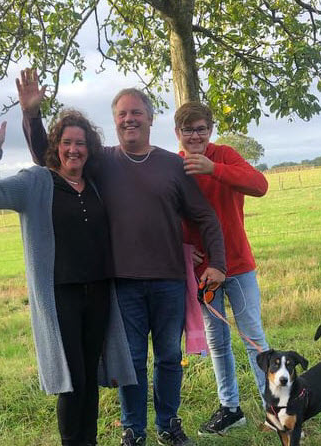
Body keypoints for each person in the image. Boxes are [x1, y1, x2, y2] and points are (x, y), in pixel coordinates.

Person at [17, 69, 227, 446]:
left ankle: (168, 424)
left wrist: (217, 263)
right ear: (115, 122)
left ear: (149, 118)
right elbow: (52, 157)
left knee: (167, 358)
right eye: (121, 115)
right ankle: (134, 429)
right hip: (121, 284)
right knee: (131, 363)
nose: (129, 119)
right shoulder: (102, 162)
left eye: (136, 113)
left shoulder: (173, 166)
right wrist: (32, 116)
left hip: (167, 282)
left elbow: (205, 216)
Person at [0, 106, 136, 446]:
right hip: (61, 296)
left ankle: (88, 441)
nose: (73, 149)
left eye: (80, 143)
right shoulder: (36, 182)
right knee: (73, 378)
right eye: (66, 142)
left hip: (99, 293)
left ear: (88, 149)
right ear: (56, 147)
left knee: (90, 376)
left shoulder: (93, 185)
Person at [175, 101, 270, 436]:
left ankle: (274, 408)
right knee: (217, 341)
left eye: (201, 129)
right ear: (178, 134)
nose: (196, 136)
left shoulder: (225, 155)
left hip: (238, 266)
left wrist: (214, 169)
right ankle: (230, 407)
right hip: (204, 273)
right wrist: (186, 249)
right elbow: (171, 215)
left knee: (253, 337)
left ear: (210, 130)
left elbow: (259, 185)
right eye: (189, 130)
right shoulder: (175, 167)